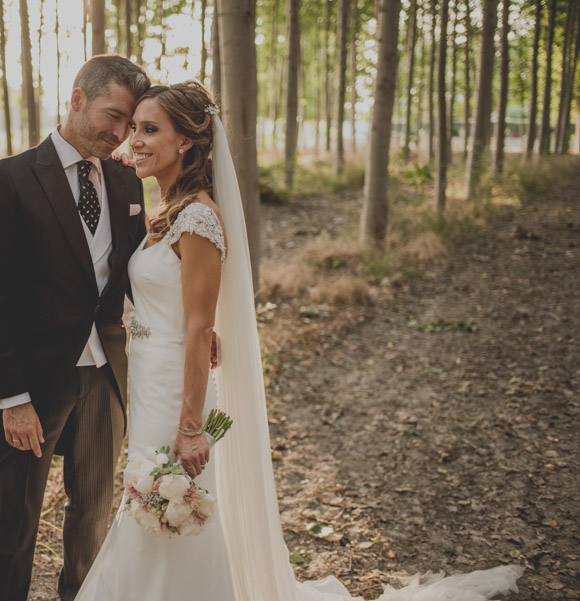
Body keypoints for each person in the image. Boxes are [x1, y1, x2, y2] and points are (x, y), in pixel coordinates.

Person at [73, 81, 523, 601]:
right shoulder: (162, 211)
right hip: (151, 379)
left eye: (151, 129)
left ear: (187, 142)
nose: (137, 140)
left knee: (162, 511)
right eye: (134, 129)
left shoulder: (196, 217)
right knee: (147, 505)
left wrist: (192, 428)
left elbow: (199, 327)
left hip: (179, 393)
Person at [0, 55, 150, 601]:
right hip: (36, 381)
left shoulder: (125, 180)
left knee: (93, 517)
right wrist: (11, 397)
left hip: (106, 376)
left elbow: (136, 274)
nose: (120, 133)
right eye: (112, 116)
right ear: (77, 99)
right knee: (16, 521)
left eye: (129, 123)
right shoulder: (12, 178)